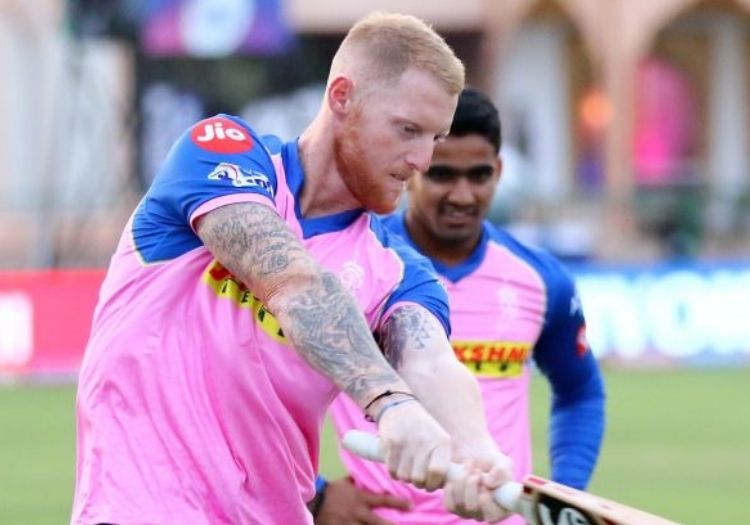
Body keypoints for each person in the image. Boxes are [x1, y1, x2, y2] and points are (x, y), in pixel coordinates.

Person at [71, 14, 515, 525]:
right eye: (408, 130)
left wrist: (475, 451)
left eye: (435, 138)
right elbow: (293, 282)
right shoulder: (221, 152)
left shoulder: (398, 269)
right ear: (342, 97)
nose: (421, 160)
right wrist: (391, 402)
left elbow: (430, 361)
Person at [323, 88, 606, 525]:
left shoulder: (541, 279)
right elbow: (255, 382)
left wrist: (563, 501)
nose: (462, 195)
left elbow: (580, 391)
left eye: (479, 175)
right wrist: (317, 493)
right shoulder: (356, 262)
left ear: (499, 171)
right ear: (412, 167)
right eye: (442, 174)